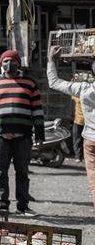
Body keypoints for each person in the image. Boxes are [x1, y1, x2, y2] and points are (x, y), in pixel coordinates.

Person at [0, 50, 44, 215]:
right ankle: (3, 204)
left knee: (22, 172)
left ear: (19, 63)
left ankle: (22, 206)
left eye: (12, 61)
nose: (9, 64)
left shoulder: (30, 83)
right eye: (5, 61)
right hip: (0, 136)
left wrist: (39, 133)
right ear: (1, 64)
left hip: (23, 136)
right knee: (1, 172)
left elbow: (37, 110)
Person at [48, 46, 95, 208]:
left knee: (93, 178)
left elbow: (54, 82)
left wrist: (51, 61)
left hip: (90, 139)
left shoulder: (83, 88)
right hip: (88, 138)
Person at [72, 96, 86, 162]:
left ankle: (78, 157)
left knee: (77, 139)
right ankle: (79, 156)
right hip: (84, 121)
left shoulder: (76, 96)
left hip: (79, 121)